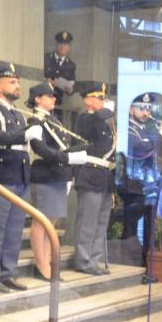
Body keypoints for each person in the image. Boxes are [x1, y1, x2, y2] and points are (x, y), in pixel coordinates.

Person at [0, 63, 42, 293]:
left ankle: (7, 272)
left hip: (21, 173)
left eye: (18, 82)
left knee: (14, 227)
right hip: (3, 173)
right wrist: (25, 133)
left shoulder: (18, 114)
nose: (18, 86)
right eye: (12, 82)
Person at [27, 82, 88, 280]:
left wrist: (69, 170)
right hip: (46, 173)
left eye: (54, 96)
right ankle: (42, 265)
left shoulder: (53, 120)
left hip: (58, 174)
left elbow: (62, 147)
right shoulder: (35, 120)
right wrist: (67, 159)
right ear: (37, 98)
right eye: (49, 95)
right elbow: (41, 149)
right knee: (41, 223)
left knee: (50, 224)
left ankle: (47, 264)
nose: (54, 98)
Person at [72, 82, 116, 276]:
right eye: (98, 98)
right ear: (87, 100)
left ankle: (94, 259)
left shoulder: (104, 123)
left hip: (105, 176)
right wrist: (107, 111)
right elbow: (92, 126)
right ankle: (82, 260)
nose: (102, 101)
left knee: (101, 223)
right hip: (90, 174)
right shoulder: (85, 119)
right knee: (87, 222)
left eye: (103, 98)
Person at [121, 93, 162, 284]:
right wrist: (160, 136)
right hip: (134, 186)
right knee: (131, 228)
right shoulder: (129, 129)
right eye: (141, 108)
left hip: (150, 187)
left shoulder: (149, 130)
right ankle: (129, 269)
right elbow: (139, 149)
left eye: (148, 109)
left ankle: (143, 269)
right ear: (131, 110)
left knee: (148, 229)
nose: (145, 113)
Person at [44, 31, 76, 111]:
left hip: (58, 103)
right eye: (60, 43)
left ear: (69, 47)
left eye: (65, 44)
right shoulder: (46, 58)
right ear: (56, 44)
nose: (63, 47)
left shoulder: (71, 65)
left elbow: (72, 85)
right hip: (43, 99)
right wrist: (47, 81)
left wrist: (69, 89)